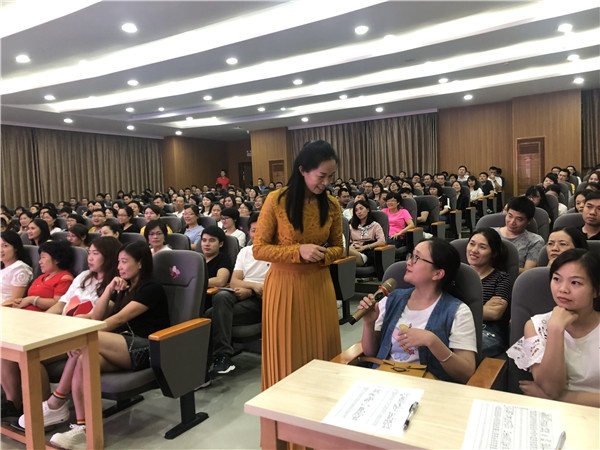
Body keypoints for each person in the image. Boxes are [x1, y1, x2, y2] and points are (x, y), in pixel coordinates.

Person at [21, 242, 170, 448]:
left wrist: (82, 336)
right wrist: (109, 289)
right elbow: (97, 316)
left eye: (124, 262)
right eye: (118, 262)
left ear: (141, 263)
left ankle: (57, 401)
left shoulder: (151, 288)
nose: (119, 267)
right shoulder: (122, 287)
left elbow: (118, 319)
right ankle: (83, 429)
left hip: (145, 347)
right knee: (83, 359)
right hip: (119, 346)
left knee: (85, 339)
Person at [253, 140, 343, 394]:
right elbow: (259, 248)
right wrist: (298, 251)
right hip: (284, 287)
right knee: (287, 353)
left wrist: (322, 256)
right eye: (321, 176)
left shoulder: (331, 204)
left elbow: (339, 247)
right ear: (303, 170)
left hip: (319, 284)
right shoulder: (276, 200)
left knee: (322, 348)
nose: (326, 183)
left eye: (331, 177)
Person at [0, 237, 121, 418]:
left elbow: (99, 316)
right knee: (8, 351)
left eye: (95, 254)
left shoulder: (115, 284)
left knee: (32, 357)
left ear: (109, 256)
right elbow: (61, 305)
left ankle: (41, 412)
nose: (90, 258)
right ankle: (14, 403)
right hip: (59, 327)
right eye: (89, 253)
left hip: (78, 334)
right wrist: (41, 322)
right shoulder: (84, 276)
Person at [357, 238, 477, 383]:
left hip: (428, 385)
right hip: (385, 378)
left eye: (417, 258)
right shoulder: (390, 299)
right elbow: (371, 352)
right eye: (411, 256)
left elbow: (466, 373)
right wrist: (369, 324)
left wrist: (432, 341)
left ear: (437, 274)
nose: (408, 262)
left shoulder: (458, 311)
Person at [507, 249, 600, 407]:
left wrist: (560, 398)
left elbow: (549, 394)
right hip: (554, 413)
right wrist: (556, 330)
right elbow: (550, 388)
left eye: (575, 282)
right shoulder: (535, 326)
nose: (563, 289)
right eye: (556, 279)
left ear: (596, 290)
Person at [204, 214, 268, 374]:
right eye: (253, 230)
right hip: (242, 292)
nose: (257, 234)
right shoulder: (245, 251)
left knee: (210, 315)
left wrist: (251, 291)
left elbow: (273, 286)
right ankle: (221, 356)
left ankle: (220, 356)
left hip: (262, 300)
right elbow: (234, 281)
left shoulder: (276, 253)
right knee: (221, 296)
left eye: (261, 230)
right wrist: (251, 286)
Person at [465, 228, 511, 357]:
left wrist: (458, 309)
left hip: (487, 332)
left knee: (460, 351)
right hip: (457, 327)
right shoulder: (458, 274)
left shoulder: (501, 278)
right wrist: (482, 308)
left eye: (482, 247)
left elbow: (494, 313)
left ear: (493, 253)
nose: (474, 250)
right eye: (472, 244)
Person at [7, 240, 74, 311]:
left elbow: (58, 304)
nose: (40, 262)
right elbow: (29, 297)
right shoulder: (42, 277)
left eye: (43, 257)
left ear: (57, 260)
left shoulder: (65, 278)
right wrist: (20, 301)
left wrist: (31, 300)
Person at [493, 196, 545, 273]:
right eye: (510, 216)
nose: (512, 222)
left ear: (529, 221)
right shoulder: (491, 233)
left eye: (519, 219)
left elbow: (527, 272)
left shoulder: (535, 241)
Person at [348, 200, 386, 267]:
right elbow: (348, 242)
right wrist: (352, 247)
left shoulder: (375, 225)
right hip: (353, 250)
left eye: (361, 209)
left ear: (368, 209)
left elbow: (382, 241)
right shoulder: (351, 226)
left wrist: (364, 247)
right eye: (356, 210)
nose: (359, 212)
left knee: (343, 251)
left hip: (365, 253)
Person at [0, 231, 33, 305]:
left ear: (15, 248)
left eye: (5, 246)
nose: (0, 250)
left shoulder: (21, 269)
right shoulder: (2, 266)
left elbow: (14, 301)